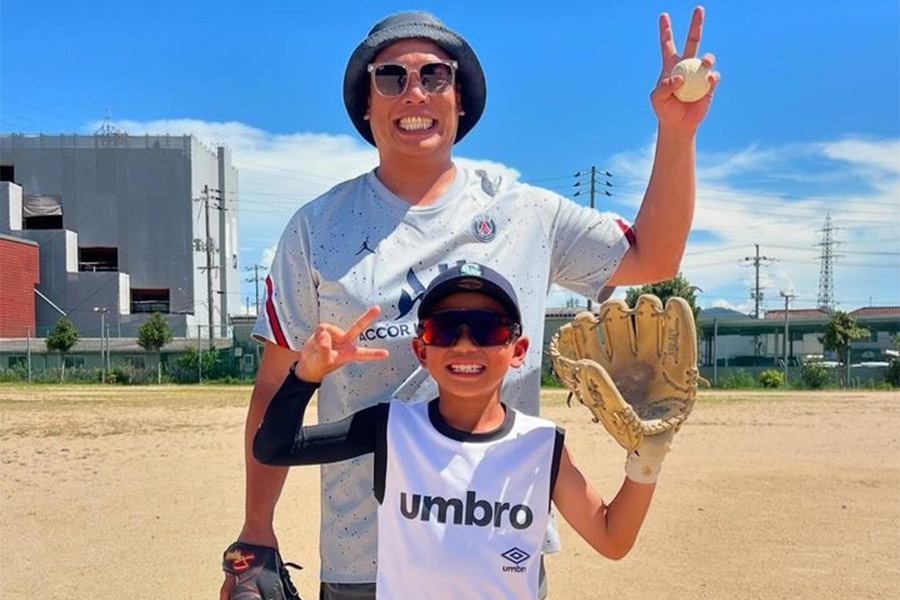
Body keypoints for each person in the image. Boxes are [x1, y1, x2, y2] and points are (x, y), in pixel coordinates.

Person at [222, 8, 718, 600]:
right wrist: (257, 532)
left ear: (461, 101)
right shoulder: (315, 227)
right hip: (364, 555)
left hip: (495, 555)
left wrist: (677, 131)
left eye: (435, 76)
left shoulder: (526, 213)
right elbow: (274, 386)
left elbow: (653, 258)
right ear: (365, 105)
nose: (414, 92)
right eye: (391, 77)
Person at [252, 263, 670, 600]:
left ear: (518, 350)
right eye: (446, 328)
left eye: (487, 328)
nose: (465, 345)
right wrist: (304, 376)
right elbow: (273, 448)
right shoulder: (391, 428)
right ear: (421, 349)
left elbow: (613, 539)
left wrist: (647, 459)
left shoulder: (542, 445)